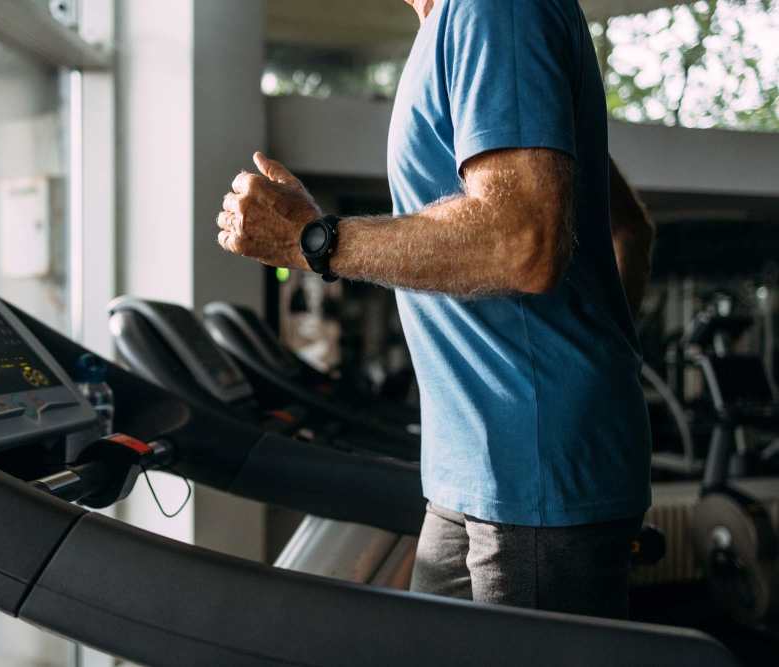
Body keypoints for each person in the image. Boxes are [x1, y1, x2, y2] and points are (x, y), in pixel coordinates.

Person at [216, 0, 655, 618]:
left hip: (529, 472)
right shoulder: (449, 26)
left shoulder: (494, 12)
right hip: (475, 469)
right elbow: (628, 229)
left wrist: (313, 240)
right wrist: (595, 368)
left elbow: (520, 242)